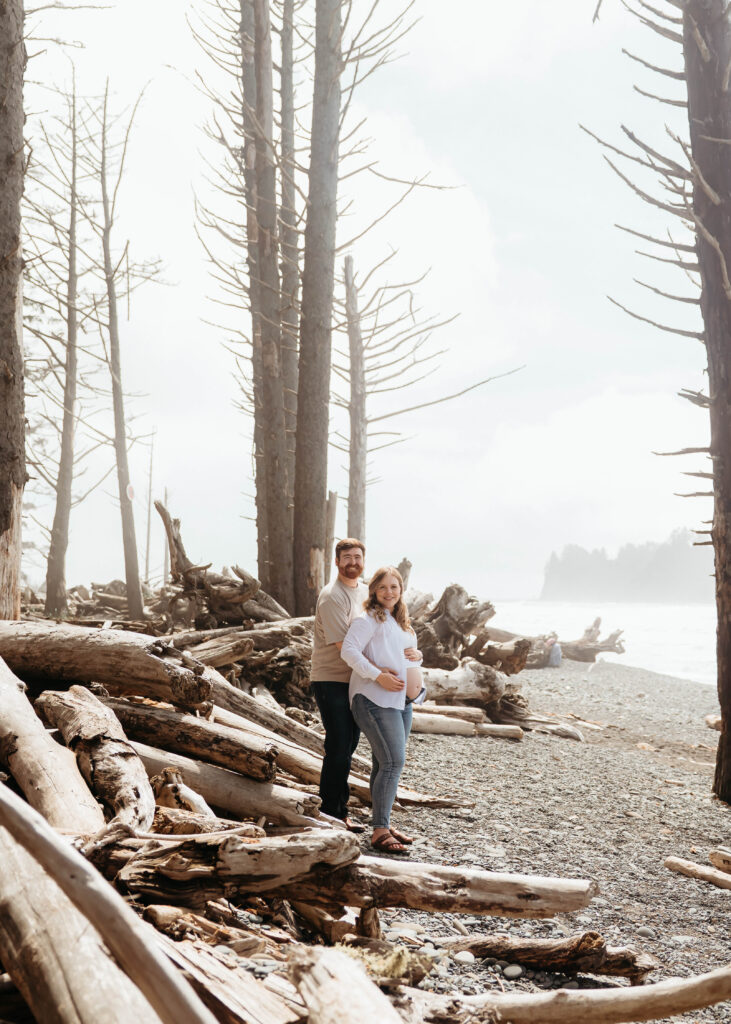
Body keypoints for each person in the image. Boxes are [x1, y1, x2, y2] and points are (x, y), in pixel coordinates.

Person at [341, 566, 424, 855]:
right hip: (373, 697)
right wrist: (378, 675)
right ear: (374, 590)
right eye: (383, 587)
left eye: (394, 587)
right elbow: (348, 651)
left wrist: (418, 655)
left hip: (401, 701)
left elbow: (403, 655)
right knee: (393, 762)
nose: (389, 592)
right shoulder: (368, 619)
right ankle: (379, 831)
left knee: (383, 762)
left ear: (401, 590)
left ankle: (383, 822)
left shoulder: (399, 620)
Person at [309, 538, 368, 830]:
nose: (353, 562)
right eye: (347, 558)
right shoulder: (333, 596)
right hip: (331, 680)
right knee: (339, 746)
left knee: (349, 745)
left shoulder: (365, 591)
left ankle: (337, 809)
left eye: (357, 557)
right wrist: (378, 670)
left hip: (355, 679)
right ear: (337, 562)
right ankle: (332, 813)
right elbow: (344, 646)